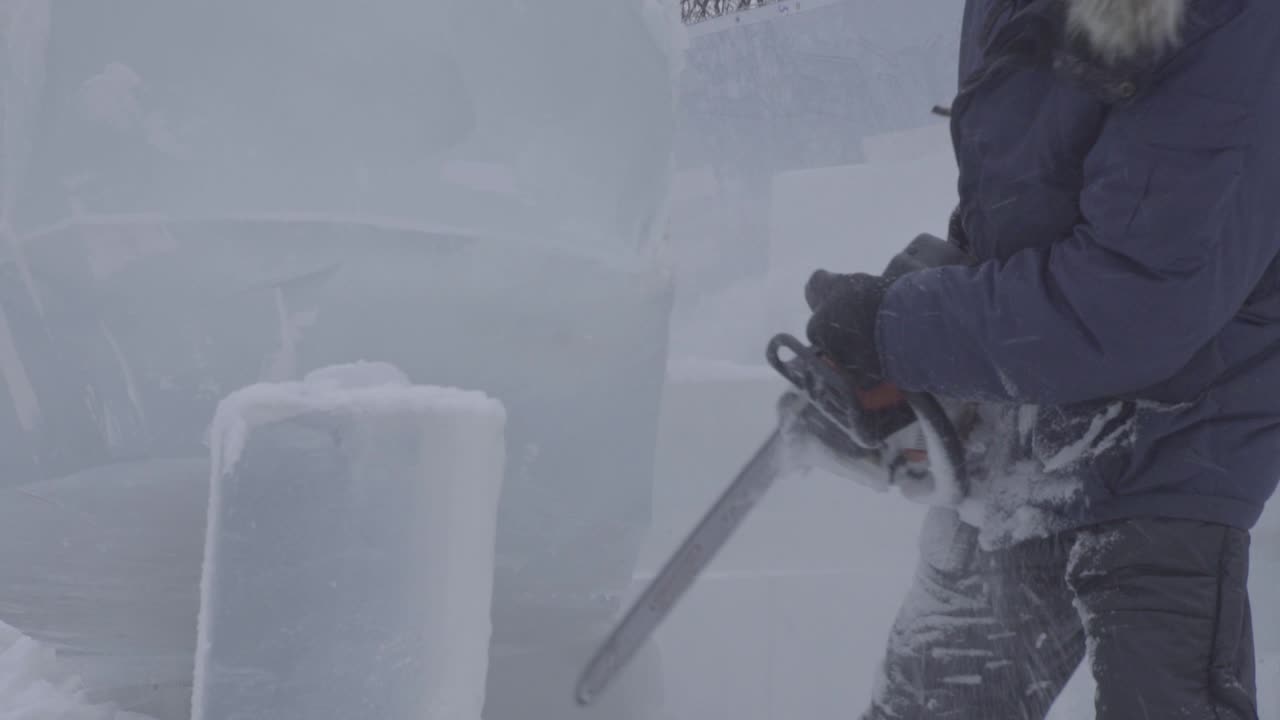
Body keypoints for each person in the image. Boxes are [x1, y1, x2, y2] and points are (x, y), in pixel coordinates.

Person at [802, 0, 1279, 717]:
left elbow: (1142, 300)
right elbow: (1033, 190)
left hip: (1173, 447)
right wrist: (930, 306)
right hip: (1024, 441)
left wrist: (900, 330)